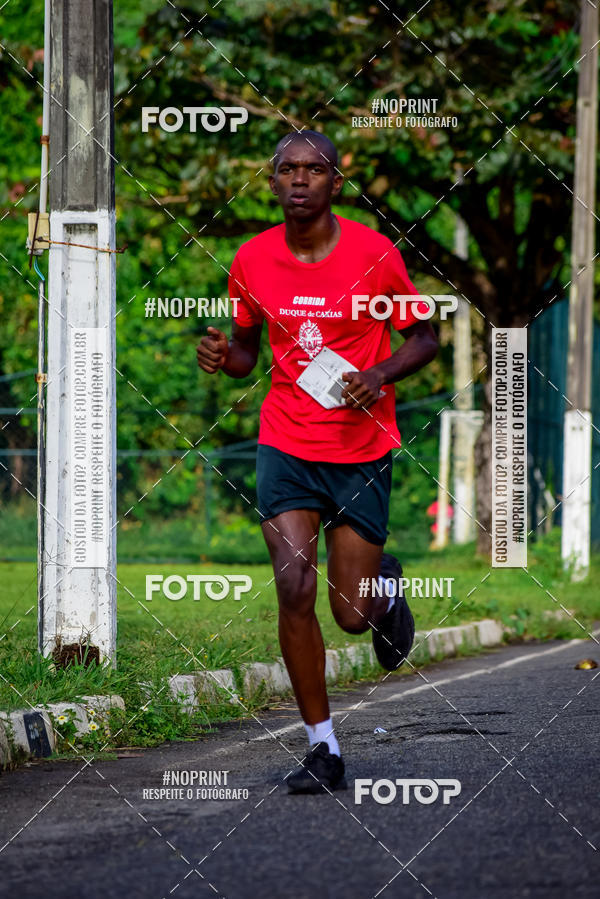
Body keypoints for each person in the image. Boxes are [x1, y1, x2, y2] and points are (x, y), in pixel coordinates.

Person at [196, 131, 438, 794]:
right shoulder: (251, 259)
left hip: (359, 448)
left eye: (314, 170)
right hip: (285, 441)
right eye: (288, 170)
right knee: (294, 584)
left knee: (349, 613)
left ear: (336, 181)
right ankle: (323, 748)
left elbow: (425, 334)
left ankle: (384, 594)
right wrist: (224, 358)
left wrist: (381, 370)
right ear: (273, 181)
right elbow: (249, 350)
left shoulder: (374, 254)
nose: (300, 180)